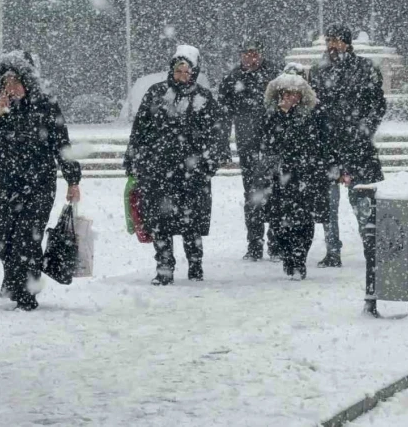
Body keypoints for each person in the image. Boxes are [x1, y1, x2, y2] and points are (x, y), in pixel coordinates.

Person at [0, 50, 82, 311]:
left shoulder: (46, 105)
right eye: (5, 80)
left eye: (15, 80)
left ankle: (26, 294)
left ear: (28, 80)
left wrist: (73, 180)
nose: (10, 86)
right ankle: (18, 284)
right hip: (4, 182)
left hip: (39, 183)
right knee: (3, 238)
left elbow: (62, 144)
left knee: (27, 239)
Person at [124, 45, 227, 286]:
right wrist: (133, 156)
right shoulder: (156, 93)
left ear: (195, 71)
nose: (182, 75)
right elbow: (140, 128)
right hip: (159, 169)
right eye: (178, 70)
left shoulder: (204, 98)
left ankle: (195, 264)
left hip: (192, 172)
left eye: (187, 70)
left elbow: (216, 133)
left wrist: (210, 162)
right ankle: (164, 267)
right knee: (160, 222)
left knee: (191, 222)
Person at [311, 24, 386, 268]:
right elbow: (314, 108)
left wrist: (363, 131)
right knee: (328, 205)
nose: (332, 45)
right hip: (328, 147)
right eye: (329, 41)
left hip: (358, 147)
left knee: (363, 202)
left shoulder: (365, 68)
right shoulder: (318, 71)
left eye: (336, 41)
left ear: (347, 43)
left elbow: (377, 105)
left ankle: (371, 247)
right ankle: (333, 250)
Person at [256, 73, 334, 280]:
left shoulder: (314, 114)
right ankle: (287, 256)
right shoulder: (269, 114)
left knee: (304, 220)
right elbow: (266, 142)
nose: (291, 97)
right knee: (278, 221)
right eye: (287, 93)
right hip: (279, 175)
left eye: (295, 93)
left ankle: (299, 259)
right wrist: (280, 116)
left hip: (305, 174)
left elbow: (321, 142)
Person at [218, 40, 282, 262]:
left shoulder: (275, 75)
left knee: (276, 194)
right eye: (245, 54)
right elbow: (223, 117)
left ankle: (276, 244)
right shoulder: (232, 79)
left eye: (254, 53)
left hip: (274, 145)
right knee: (252, 195)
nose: (250, 58)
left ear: (261, 54)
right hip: (248, 146)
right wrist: (223, 146)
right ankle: (254, 244)